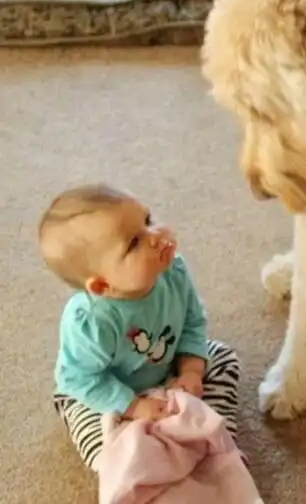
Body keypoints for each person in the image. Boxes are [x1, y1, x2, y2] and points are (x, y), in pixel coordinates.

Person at [38, 183, 240, 470]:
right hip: (105, 391)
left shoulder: (174, 272)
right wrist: (132, 406)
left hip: (168, 371)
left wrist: (191, 370)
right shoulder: (91, 322)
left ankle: (216, 440)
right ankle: (143, 467)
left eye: (148, 220)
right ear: (102, 285)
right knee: (106, 449)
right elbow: (77, 379)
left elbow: (193, 321)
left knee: (222, 358)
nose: (155, 236)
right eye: (134, 242)